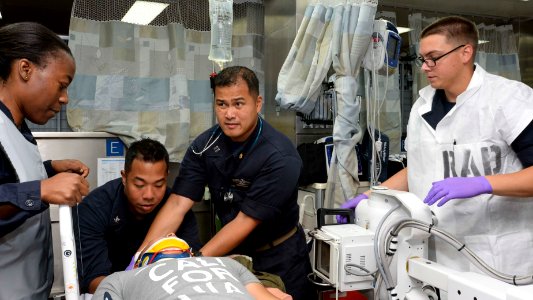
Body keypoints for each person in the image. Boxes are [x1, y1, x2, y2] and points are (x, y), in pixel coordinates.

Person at [340, 16, 533, 275]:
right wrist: (372, 197)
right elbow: (420, 168)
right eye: (423, 59)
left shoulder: (509, 100)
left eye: (434, 57)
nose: (425, 67)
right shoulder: (423, 106)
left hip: (497, 255)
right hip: (434, 250)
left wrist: (483, 184)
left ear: (466, 52)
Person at [139, 66, 314, 300]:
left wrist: (194, 263)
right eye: (222, 104)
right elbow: (178, 203)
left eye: (238, 104)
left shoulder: (280, 157)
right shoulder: (204, 146)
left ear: (258, 103)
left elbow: (245, 222)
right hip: (232, 255)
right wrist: (141, 258)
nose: (229, 114)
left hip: (280, 257)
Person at [0, 22, 90, 299]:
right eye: (62, 85)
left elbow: (8, 179)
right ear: (25, 69)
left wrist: (49, 170)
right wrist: (42, 190)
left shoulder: (17, 127)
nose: (64, 99)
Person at [73, 138, 201, 294]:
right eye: (139, 185)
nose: (149, 195)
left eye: (158, 185)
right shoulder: (95, 208)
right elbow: (94, 280)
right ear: (124, 177)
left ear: (166, 177)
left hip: (168, 292)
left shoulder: (177, 208)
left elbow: (191, 264)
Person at [93, 233, 286, 299]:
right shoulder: (122, 279)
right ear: (141, 263)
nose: (170, 234)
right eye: (161, 236)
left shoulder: (226, 263)